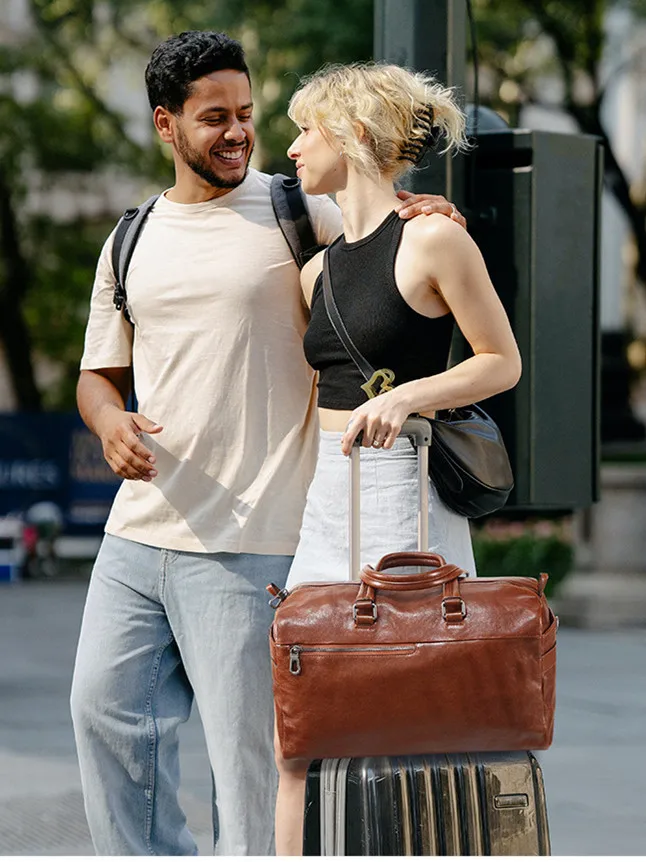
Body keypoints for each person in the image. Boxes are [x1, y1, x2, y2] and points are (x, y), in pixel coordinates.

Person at [70, 31, 467, 856]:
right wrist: (110, 424)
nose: (238, 132)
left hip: (253, 539)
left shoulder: (298, 212)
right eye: (214, 117)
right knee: (102, 715)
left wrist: (427, 210)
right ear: (165, 124)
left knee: (249, 764)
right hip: (137, 533)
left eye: (246, 113)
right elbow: (97, 375)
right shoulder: (131, 236)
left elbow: (382, 241)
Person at [273, 62, 523, 854]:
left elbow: (501, 361)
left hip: (402, 492)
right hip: (325, 495)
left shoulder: (434, 237)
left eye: (305, 127)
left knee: (414, 711)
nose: (292, 145)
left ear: (350, 133)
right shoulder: (315, 269)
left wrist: (409, 395)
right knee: (302, 727)